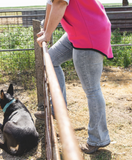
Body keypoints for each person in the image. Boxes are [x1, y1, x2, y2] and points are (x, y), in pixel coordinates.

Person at [35, 0, 113, 154]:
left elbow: (59, 4)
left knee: (92, 89)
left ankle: (98, 138)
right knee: (51, 58)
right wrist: (45, 30)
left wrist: (48, 34)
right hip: (79, 29)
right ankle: (58, 108)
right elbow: (51, 3)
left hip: (89, 33)